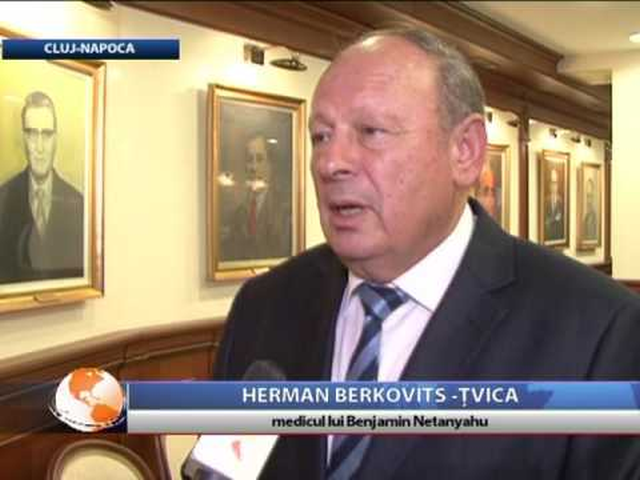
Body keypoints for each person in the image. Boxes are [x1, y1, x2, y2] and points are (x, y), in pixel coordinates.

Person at [214, 27, 640, 479]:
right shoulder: (264, 308)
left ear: (465, 151)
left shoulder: (599, 333)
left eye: (370, 132)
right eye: (321, 136)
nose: (330, 162)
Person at [0, 91, 84, 284]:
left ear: (56, 139)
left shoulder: (79, 205)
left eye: (46, 134)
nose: (39, 147)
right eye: (32, 134)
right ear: (24, 138)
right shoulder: (3, 199)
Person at [220, 134, 291, 261]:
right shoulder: (239, 213)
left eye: (259, 159)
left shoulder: (284, 209)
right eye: (249, 159)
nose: (253, 167)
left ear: (271, 165)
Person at [544, 167, 564, 241]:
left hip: (558, 238)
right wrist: (555, 219)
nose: (553, 186)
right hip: (547, 238)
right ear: (549, 185)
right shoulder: (545, 202)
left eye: (555, 183)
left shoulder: (561, 202)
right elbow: (545, 222)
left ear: (557, 185)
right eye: (552, 183)